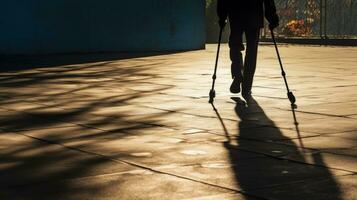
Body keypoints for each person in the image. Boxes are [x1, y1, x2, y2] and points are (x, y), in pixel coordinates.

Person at [217, 0, 279, 97]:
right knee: (251, 51)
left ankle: (238, 74)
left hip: (236, 11)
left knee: (235, 45)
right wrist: (272, 17)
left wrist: (222, 15)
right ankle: (246, 86)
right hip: (254, 13)